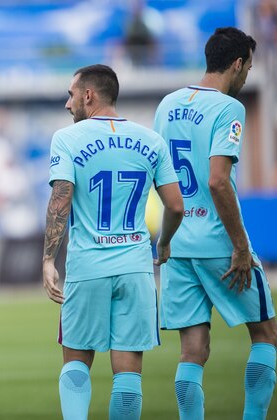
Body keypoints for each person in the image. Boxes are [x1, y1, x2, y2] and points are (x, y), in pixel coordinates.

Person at [42, 64, 184, 420]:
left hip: (87, 267)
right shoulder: (151, 139)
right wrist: (163, 243)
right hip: (135, 267)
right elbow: (176, 206)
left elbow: (61, 198)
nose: (67, 103)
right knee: (128, 372)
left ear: (88, 95)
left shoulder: (67, 138)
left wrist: (48, 260)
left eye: (70, 94)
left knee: (76, 363)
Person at [153, 27, 277, 420]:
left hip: (177, 246)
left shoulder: (166, 105)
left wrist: (167, 236)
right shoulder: (229, 109)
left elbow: (160, 176)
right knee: (266, 335)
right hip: (219, 243)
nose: (245, 77)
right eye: (248, 68)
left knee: (193, 351)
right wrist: (241, 246)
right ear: (238, 64)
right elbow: (217, 180)